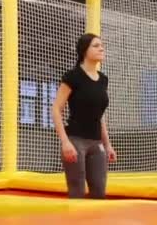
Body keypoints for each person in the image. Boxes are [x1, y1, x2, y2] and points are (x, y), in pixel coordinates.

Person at [51, 33, 117, 199]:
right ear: (84, 51)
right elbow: (56, 110)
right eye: (96, 45)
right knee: (77, 192)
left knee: (99, 192)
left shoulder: (103, 80)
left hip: (97, 144)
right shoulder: (73, 77)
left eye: (102, 45)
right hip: (75, 142)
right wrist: (65, 142)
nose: (101, 48)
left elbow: (99, 115)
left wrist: (107, 144)